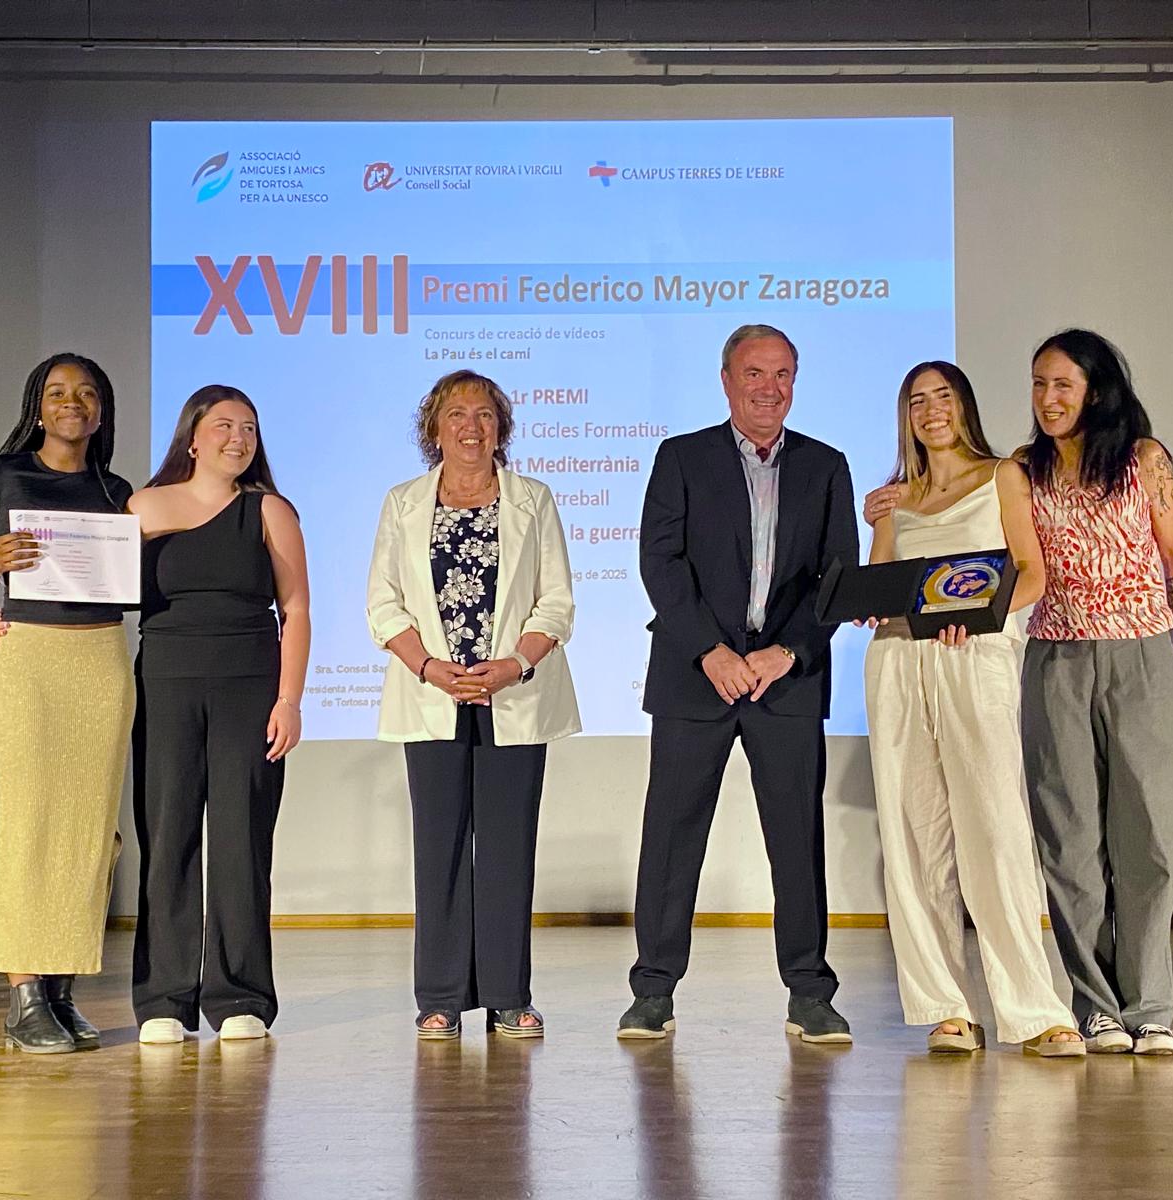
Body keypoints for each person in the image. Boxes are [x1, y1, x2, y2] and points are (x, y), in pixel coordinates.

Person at [619, 324, 859, 1043]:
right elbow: (661, 562)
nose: (769, 388)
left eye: (782, 374)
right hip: (697, 678)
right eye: (754, 373)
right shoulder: (682, 457)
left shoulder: (826, 465)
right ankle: (653, 990)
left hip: (785, 681)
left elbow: (837, 576)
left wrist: (790, 651)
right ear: (727, 381)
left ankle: (810, 992)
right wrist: (710, 651)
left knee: (796, 838)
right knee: (672, 835)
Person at [859, 362, 1083, 1057]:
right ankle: (946, 1008)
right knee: (914, 835)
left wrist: (978, 615)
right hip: (900, 661)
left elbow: (1032, 573)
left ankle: (1036, 1011)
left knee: (996, 828)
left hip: (975, 657)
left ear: (965, 406)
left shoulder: (1003, 475)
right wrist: (866, 598)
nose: (931, 410)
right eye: (917, 401)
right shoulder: (897, 498)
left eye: (943, 397)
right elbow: (883, 583)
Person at [366, 370, 579, 1040]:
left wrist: (514, 664)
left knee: (509, 849)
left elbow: (556, 602)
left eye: (485, 415)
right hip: (431, 694)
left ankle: (510, 996)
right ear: (434, 428)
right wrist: (429, 668)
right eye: (456, 414)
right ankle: (440, 997)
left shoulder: (533, 500)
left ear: (500, 429)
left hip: (514, 693)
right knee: (440, 849)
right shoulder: (403, 503)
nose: (471, 427)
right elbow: (383, 604)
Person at [0, 353, 135, 1054]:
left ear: (102, 409)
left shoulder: (118, 491)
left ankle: (60, 988)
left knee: (90, 831)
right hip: (29, 661)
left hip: (103, 660)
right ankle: (23, 995)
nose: (71, 403)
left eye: (86, 393)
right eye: (57, 392)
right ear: (37, 404)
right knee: (27, 822)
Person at [1020, 329, 1173, 1057]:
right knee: (1069, 840)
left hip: (1142, 654)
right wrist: (894, 502)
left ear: (1095, 390)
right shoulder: (1022, 469)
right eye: (1039, 384)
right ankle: (1095, 1006)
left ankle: (1150, 1008)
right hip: (1056, 657)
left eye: (1062, 384)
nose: (1048, 398)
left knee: (1147, 835)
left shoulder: (1142, 460)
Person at [128, 386, 309, 1045]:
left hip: (249, 689)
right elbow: (89, 589)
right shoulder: (142, 507)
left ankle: (241, 998)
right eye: (225, 425)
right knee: (167, 838)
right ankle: (164, 1000)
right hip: (165, 686)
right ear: (193, 437)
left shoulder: (269, 511)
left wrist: (289, 700)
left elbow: (296, 610)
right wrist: (11, 615)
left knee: (241, 844)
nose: (239, 438)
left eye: (250, 428)